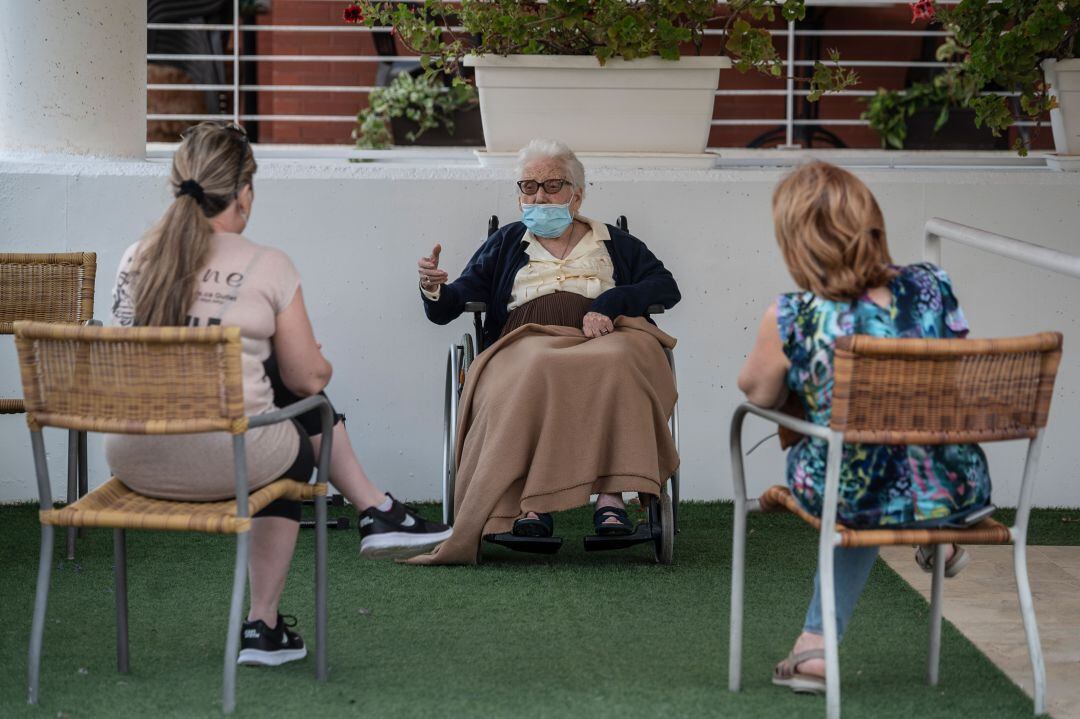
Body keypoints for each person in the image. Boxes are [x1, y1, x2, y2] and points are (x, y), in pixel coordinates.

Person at [106, 121, 451, 666]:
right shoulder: (266, 263)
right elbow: (311, 379)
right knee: (294, 433)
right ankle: (264, 623)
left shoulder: (134, 257)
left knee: (273, 394)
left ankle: (376, 511)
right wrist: (318, 355)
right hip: (229, 461)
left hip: (133, 456)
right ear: (244, 193)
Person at [737, 161, 990, 694]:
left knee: (853, 472)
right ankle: (934, 533)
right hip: (956, 482)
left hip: (854, 489)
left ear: (796, 240)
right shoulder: (931, 284)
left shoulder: (793, 315)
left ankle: (816, 647)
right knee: (880, 461)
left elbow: (757, 393)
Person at [410, 138, 680, 564]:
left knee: (617, 362)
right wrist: (433, 288)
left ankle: (612, 498)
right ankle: (531, 504)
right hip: (526, 338)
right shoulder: (506, 243)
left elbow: (665, 287)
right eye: (529, 186)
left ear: (578, 193)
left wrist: (609, 303)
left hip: (604, 336)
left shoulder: (614, 241)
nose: (540, 196)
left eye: (553, 185)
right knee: (537, 364)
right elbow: (456, 301)